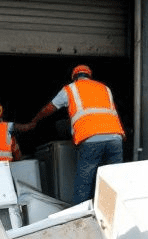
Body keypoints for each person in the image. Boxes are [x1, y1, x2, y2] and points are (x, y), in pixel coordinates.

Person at [29, 65, 125, 204]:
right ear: (89, 76)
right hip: (115, 138)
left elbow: (50, 108)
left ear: (74, 77)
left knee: (84, 183)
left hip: (90, 138)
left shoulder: (70, 89)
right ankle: (114, 212)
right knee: (114, 180)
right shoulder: (105, 88)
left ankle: (80, 218)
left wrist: (35, 120)